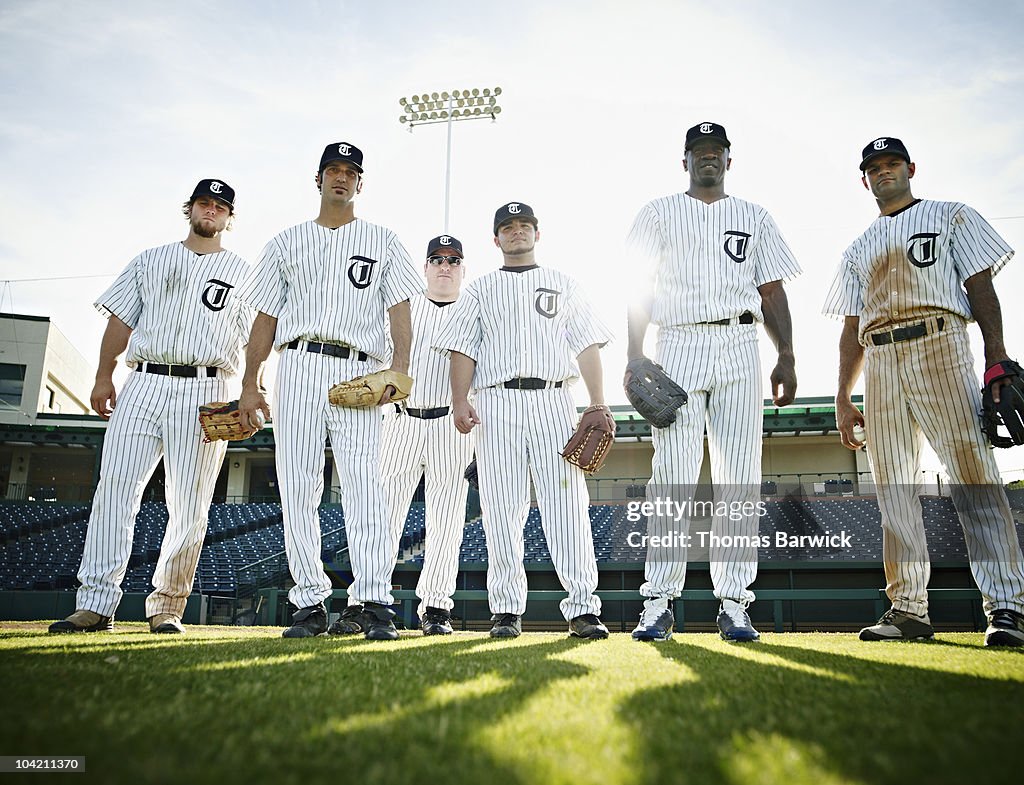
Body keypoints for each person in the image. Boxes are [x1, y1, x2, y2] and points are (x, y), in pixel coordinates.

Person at [824, 136, 1024, 646]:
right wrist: (844, 396)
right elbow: (851, 330)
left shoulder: (951, 214)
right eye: (874, 167)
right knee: (893, 488)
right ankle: (908, 608)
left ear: (911, 168)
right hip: (882, 358)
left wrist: (997, 358)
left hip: (940, 340)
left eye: (892, 163)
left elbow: (981, 288)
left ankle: (1006, 607)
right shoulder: (857, 248)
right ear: (863, 179)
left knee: (973, 476)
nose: (884, 172)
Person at [49, 179, 252, 635]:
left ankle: (168, 605)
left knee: (191, 504)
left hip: (206, 386)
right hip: (143, 381)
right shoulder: (150, 259)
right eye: (204, 202)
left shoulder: (243, 272)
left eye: (220, 207)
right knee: (115, 489)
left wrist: (246, 392)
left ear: (229, 218)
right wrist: (104, 374)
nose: (211, 211)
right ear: (190, 209)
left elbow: (249, 339)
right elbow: (120, 321)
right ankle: (96, 602)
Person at [237, 142, 422, 640]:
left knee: (365, 487)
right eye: (332, 170)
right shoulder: (284, 242)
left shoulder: (383, 240)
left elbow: (400, 306)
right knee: (298, 486)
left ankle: (374, 600)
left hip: (359, 372)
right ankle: (308, 604)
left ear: (360, 183)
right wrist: (251, 380)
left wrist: (400, 366)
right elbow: (265, 317)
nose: (341, 177)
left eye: (350, 171)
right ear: (316, 179)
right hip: (295, 363)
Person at [625, 122, 801, 642]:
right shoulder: (657, 212)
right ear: (684, 161)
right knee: (672, 477)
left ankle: (735, 603)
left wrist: (786, 354)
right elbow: (638, 286)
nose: (707, 158)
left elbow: (770, 292)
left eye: (715, 151)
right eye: (698, 152)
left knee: (740, 477)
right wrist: (634, 355)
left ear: (729, 159)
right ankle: (658, 601)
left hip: (739, 343)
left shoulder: (754, 216)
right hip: (676, 341)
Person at [433, 202, 613, 640]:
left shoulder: (563, 283)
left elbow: (587, 344)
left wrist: (597, 402)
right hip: (497, 401)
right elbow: (462, 348)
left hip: (553, 399)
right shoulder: (478, 289)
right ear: (495, 239)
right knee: (501, 510)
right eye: (507, 227)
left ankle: (584, 609)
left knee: (567, 506)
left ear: (537, 233)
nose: (516, 232)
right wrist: (460, 400)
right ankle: (507, 611)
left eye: (524, 225)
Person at [380, 234, 475, 635]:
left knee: (448, 520)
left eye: (453, 260)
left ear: (462, 269)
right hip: (401, 419)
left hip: (451, 426)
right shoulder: (404, 307)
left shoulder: (475, 310)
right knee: (382, 514)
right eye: (436, 259)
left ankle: (436, 606)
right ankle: (368, 599)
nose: (444, 266)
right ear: (425, 268)